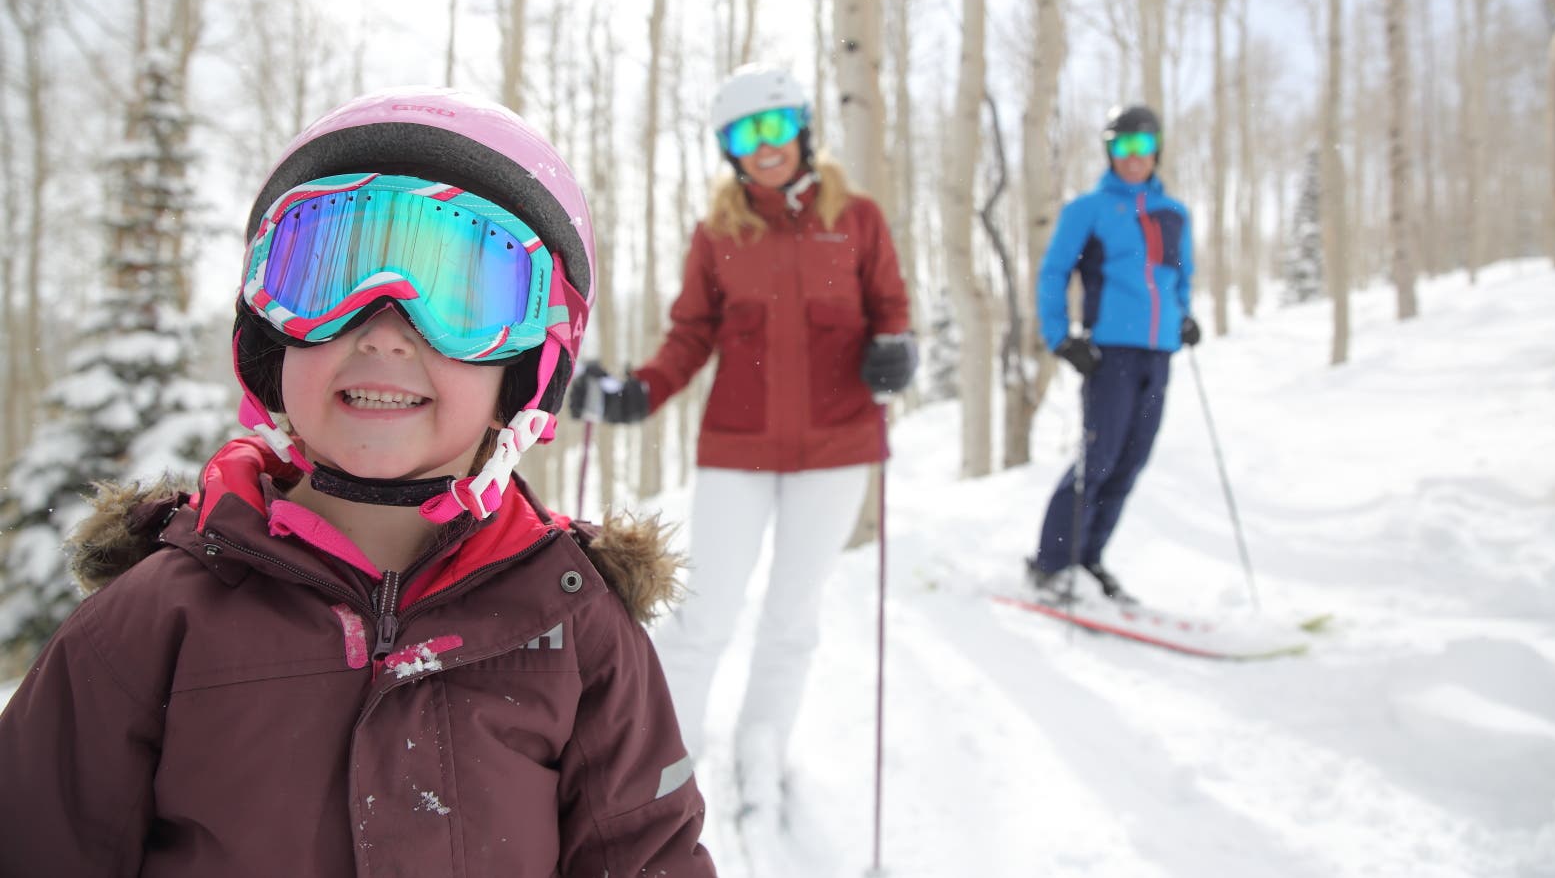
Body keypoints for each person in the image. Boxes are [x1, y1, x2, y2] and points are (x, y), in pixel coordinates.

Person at [0, 88, 716, 877]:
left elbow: (649, 858)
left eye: (463, 296)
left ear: (525, 373)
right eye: (328, 276)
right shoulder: (151, 623)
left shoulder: (576, 625)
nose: (385, 329)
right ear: (269, 341)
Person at [569, 63, 916, 822]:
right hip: (738, 448)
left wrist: (897, 346)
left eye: (776, 126)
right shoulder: (719, 233)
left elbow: (891, 305)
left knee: (793, 616)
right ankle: (666, 762)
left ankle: (762, 745)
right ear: (729, 148)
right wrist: (636, 392)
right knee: (705, 612)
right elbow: (689, 336)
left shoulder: (855, 218)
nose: (764, 146)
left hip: (839, 446)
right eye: (744, 133)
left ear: (802, 128)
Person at [1026, 103, 1199, 606]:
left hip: (1158, 353)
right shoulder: (1089, 209)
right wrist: (1060, 337)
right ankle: (1052, 564)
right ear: (1109, 151)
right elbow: (1053, 272)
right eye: (1122, 147)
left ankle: (1089, 557)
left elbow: (1179, 276)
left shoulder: (1174, 214)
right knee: (1097, 458)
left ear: (1156, 150)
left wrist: (1183, 316)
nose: (1132, 157)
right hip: (1110, 354)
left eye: (1142, 146)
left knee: (1131, 460)